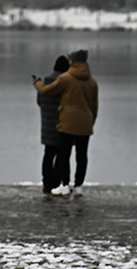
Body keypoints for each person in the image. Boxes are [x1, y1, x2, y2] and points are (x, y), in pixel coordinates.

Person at [33, 49, 98, 196]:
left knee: (62, 155)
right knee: (82, 155)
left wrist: (37, 83)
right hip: (85, 123)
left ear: (73, 62)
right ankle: (78, 185)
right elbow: (95, 107)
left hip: (65, 123)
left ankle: (62, 184)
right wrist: (91, 121)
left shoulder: (66, 79)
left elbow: (46, 92)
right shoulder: (92, 82)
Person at [36, 55, 69, 194]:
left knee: (48, 154)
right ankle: (56, 183)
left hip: (47, 124)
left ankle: (46, 183)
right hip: (63, 123)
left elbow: (40, 102)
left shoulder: (44, 83)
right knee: (61, 155)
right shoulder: (66, 83)